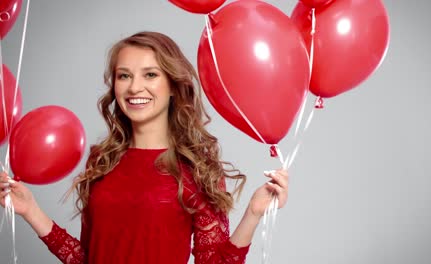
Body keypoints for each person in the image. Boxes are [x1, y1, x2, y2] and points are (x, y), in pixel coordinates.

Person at [0, 31, 288, 264]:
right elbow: (86, 258)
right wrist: (30, 210)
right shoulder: (102, 160)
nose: (134, 87)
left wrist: (254, 212)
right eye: (124, 75)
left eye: (150, 75)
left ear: (173, 85)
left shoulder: (196, 167)